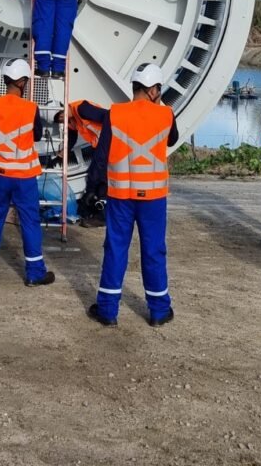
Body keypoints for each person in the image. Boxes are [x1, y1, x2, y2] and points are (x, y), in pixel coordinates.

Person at [86, 63, 178, 327]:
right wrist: (159, 107)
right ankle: (159, 311)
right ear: (154, 90)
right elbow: (172, 139)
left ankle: (107, 311)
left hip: (121, 196)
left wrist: (92, 189)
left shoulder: (115, 113)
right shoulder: (166, 115)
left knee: (115, 249)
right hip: (153, 199)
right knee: (154, 251)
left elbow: (101, 156)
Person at [0, 58, 55, 287]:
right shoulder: (30, 108)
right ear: (22, 82)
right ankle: (34, 273)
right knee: (29, 222)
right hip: (24, 177)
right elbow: (36, 135)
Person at [54, 99, 108, 226]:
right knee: (97, 177)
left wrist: (106, 139)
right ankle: (98, 212)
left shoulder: (82, 109)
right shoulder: (72, 120)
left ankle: (101, 216)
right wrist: (64, 151)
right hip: (100, 146)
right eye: (60, 120)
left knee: (99, 177)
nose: (63, 119)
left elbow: (108, 116)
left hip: (107, 144)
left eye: (62, 116)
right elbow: (72, 137)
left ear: (64, 108)